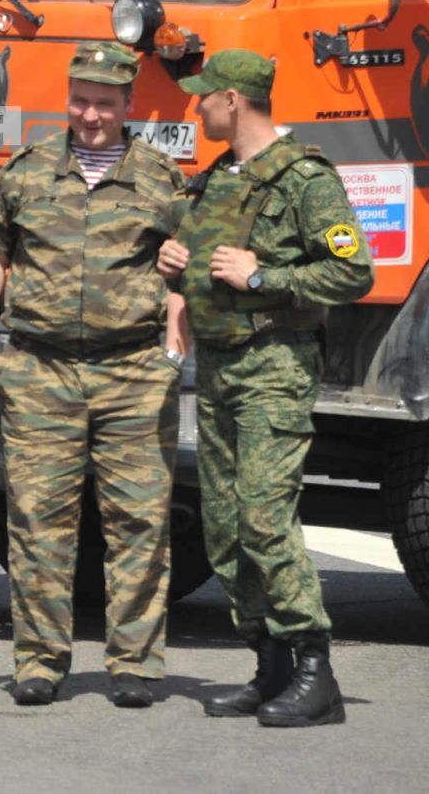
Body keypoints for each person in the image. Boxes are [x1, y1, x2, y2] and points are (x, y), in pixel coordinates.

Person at [0, 42, 187, 708]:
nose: (90, 114)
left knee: (140, 522)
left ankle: (137, 664)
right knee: (36, 521)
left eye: (105, 102)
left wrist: (176, 343)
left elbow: (187, 265)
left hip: (134, 373)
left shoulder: (160, 177)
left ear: (129, 105)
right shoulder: (27, 172)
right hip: (41, 368)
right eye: (81, 99)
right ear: (69, 98)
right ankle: (39, 661)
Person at [156, 50, 374, 728]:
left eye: (203, 99)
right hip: (220, 369)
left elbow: (352, 272)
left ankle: (315, 669)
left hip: (275, 364)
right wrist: (175, 267)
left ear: (233, 99)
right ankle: (270, 663)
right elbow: (198, 265)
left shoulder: (306, 178)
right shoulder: (221, 177)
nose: (195, 109)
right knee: (223, 523)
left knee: (264, 516)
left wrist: (263, 277)